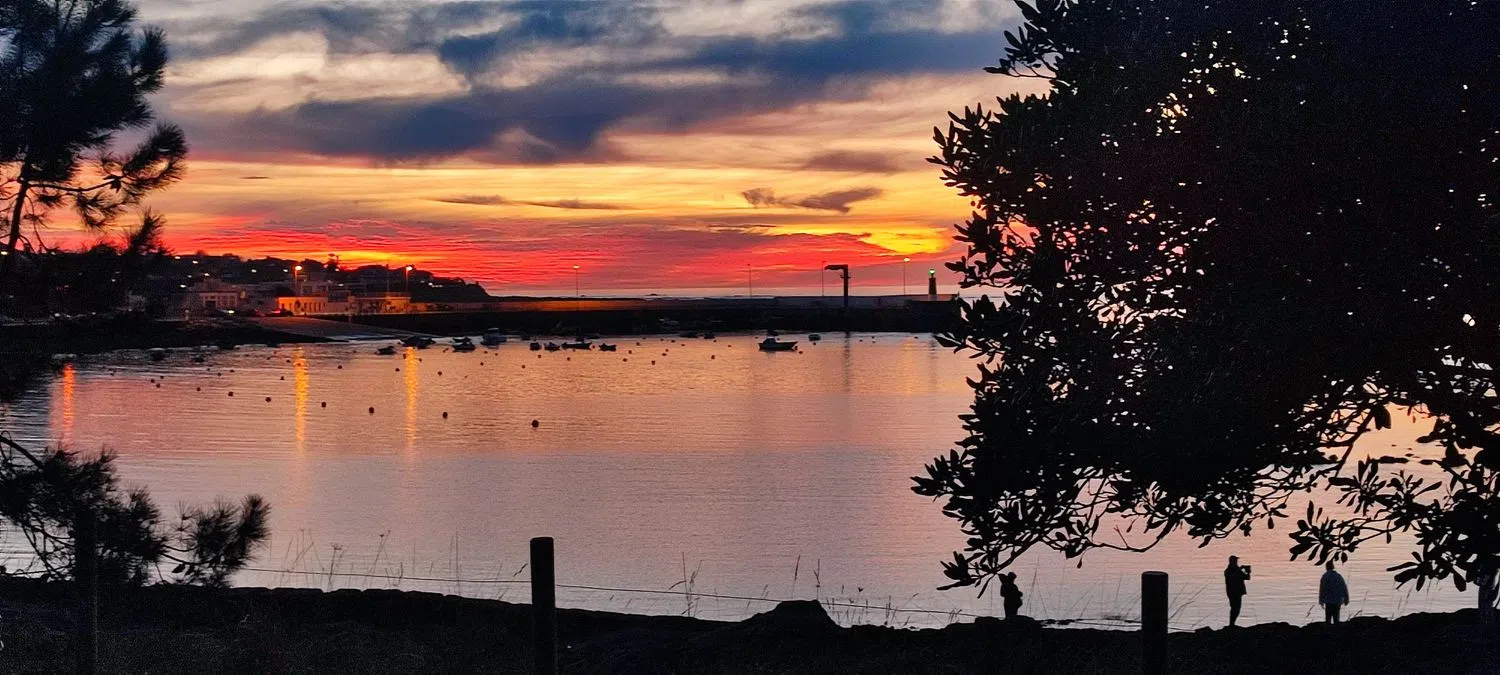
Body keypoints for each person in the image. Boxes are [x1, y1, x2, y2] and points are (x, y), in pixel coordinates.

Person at [1224, 555, 1251, 626]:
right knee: (1234, 607)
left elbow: (1247, 578)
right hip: (1232, 592)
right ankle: (1231, 624)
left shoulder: (1237, 569)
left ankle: (1232, 623)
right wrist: (1240, 569)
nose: (1236, 562)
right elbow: (1232, 577)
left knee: (1237, 608)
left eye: (1236, 560)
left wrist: (1248, 571)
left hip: (1239, 591)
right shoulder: (1228, 570)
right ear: (1232, 561)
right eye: (1235, 560)